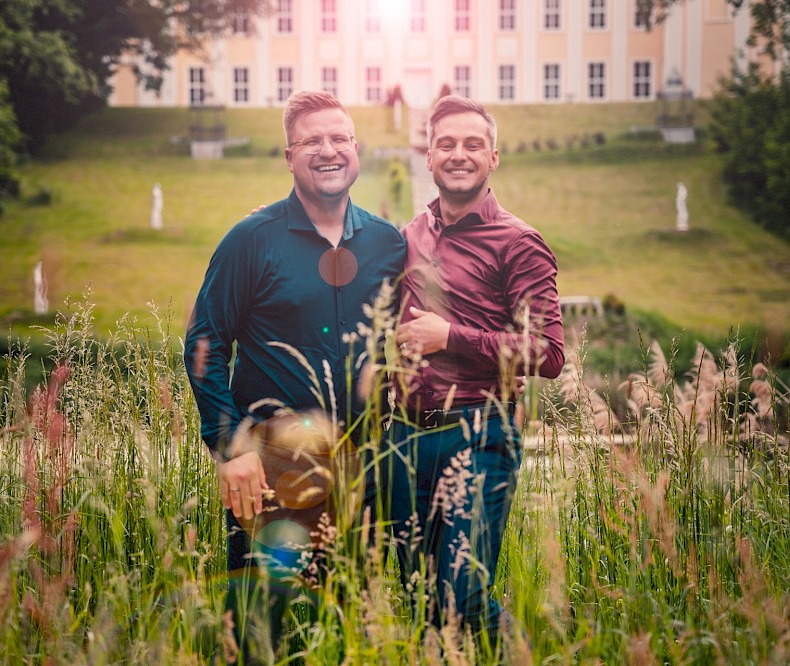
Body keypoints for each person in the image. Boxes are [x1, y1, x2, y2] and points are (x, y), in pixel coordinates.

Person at [183, 91, 406, 663]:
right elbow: (204, 343)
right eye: (312, 140)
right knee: (262, 632)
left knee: (350, 633)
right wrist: (229, 447)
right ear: (289, 156)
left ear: (356, 149)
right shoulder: (251, 240)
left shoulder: (387, 244)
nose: (328, 150)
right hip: (271, 471)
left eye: (339, 138)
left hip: (363, 472)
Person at [388, 95, 564, 647]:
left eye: (471, 144)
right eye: (446, 144)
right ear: (429, 156)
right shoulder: (409, 235)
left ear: (493, 157)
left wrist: (451, 337)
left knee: (461, 596)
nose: (457, 154)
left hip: (480, 434)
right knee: (421, 597)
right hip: (404, 438)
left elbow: (550, 353)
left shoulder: (519, 242)